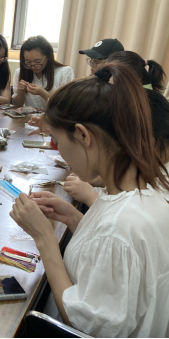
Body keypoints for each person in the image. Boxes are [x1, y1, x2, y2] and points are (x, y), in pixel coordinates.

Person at [10, 63, 169, 337]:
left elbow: (82, 322)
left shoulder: (121, 226)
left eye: (57, 141)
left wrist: (44, 237)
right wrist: (73, 218)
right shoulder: (147, 189)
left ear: (83, 135)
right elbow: (108, 261)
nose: (60, 152)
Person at [63, 51, 168, 206]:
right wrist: (98, 180)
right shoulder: (137, 105)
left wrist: (90, 196)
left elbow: (134, 207)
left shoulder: (144, 111)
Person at [12, 35, 74, 109]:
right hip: (29, 116)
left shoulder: (64, 72)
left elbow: (65, 107)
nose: (33, 66)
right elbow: (17, 105)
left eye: (37, 62)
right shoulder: (20, 72)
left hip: (53, 116)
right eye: (28, 62)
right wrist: (20, 93)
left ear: (48, 56)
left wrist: (43, 93)